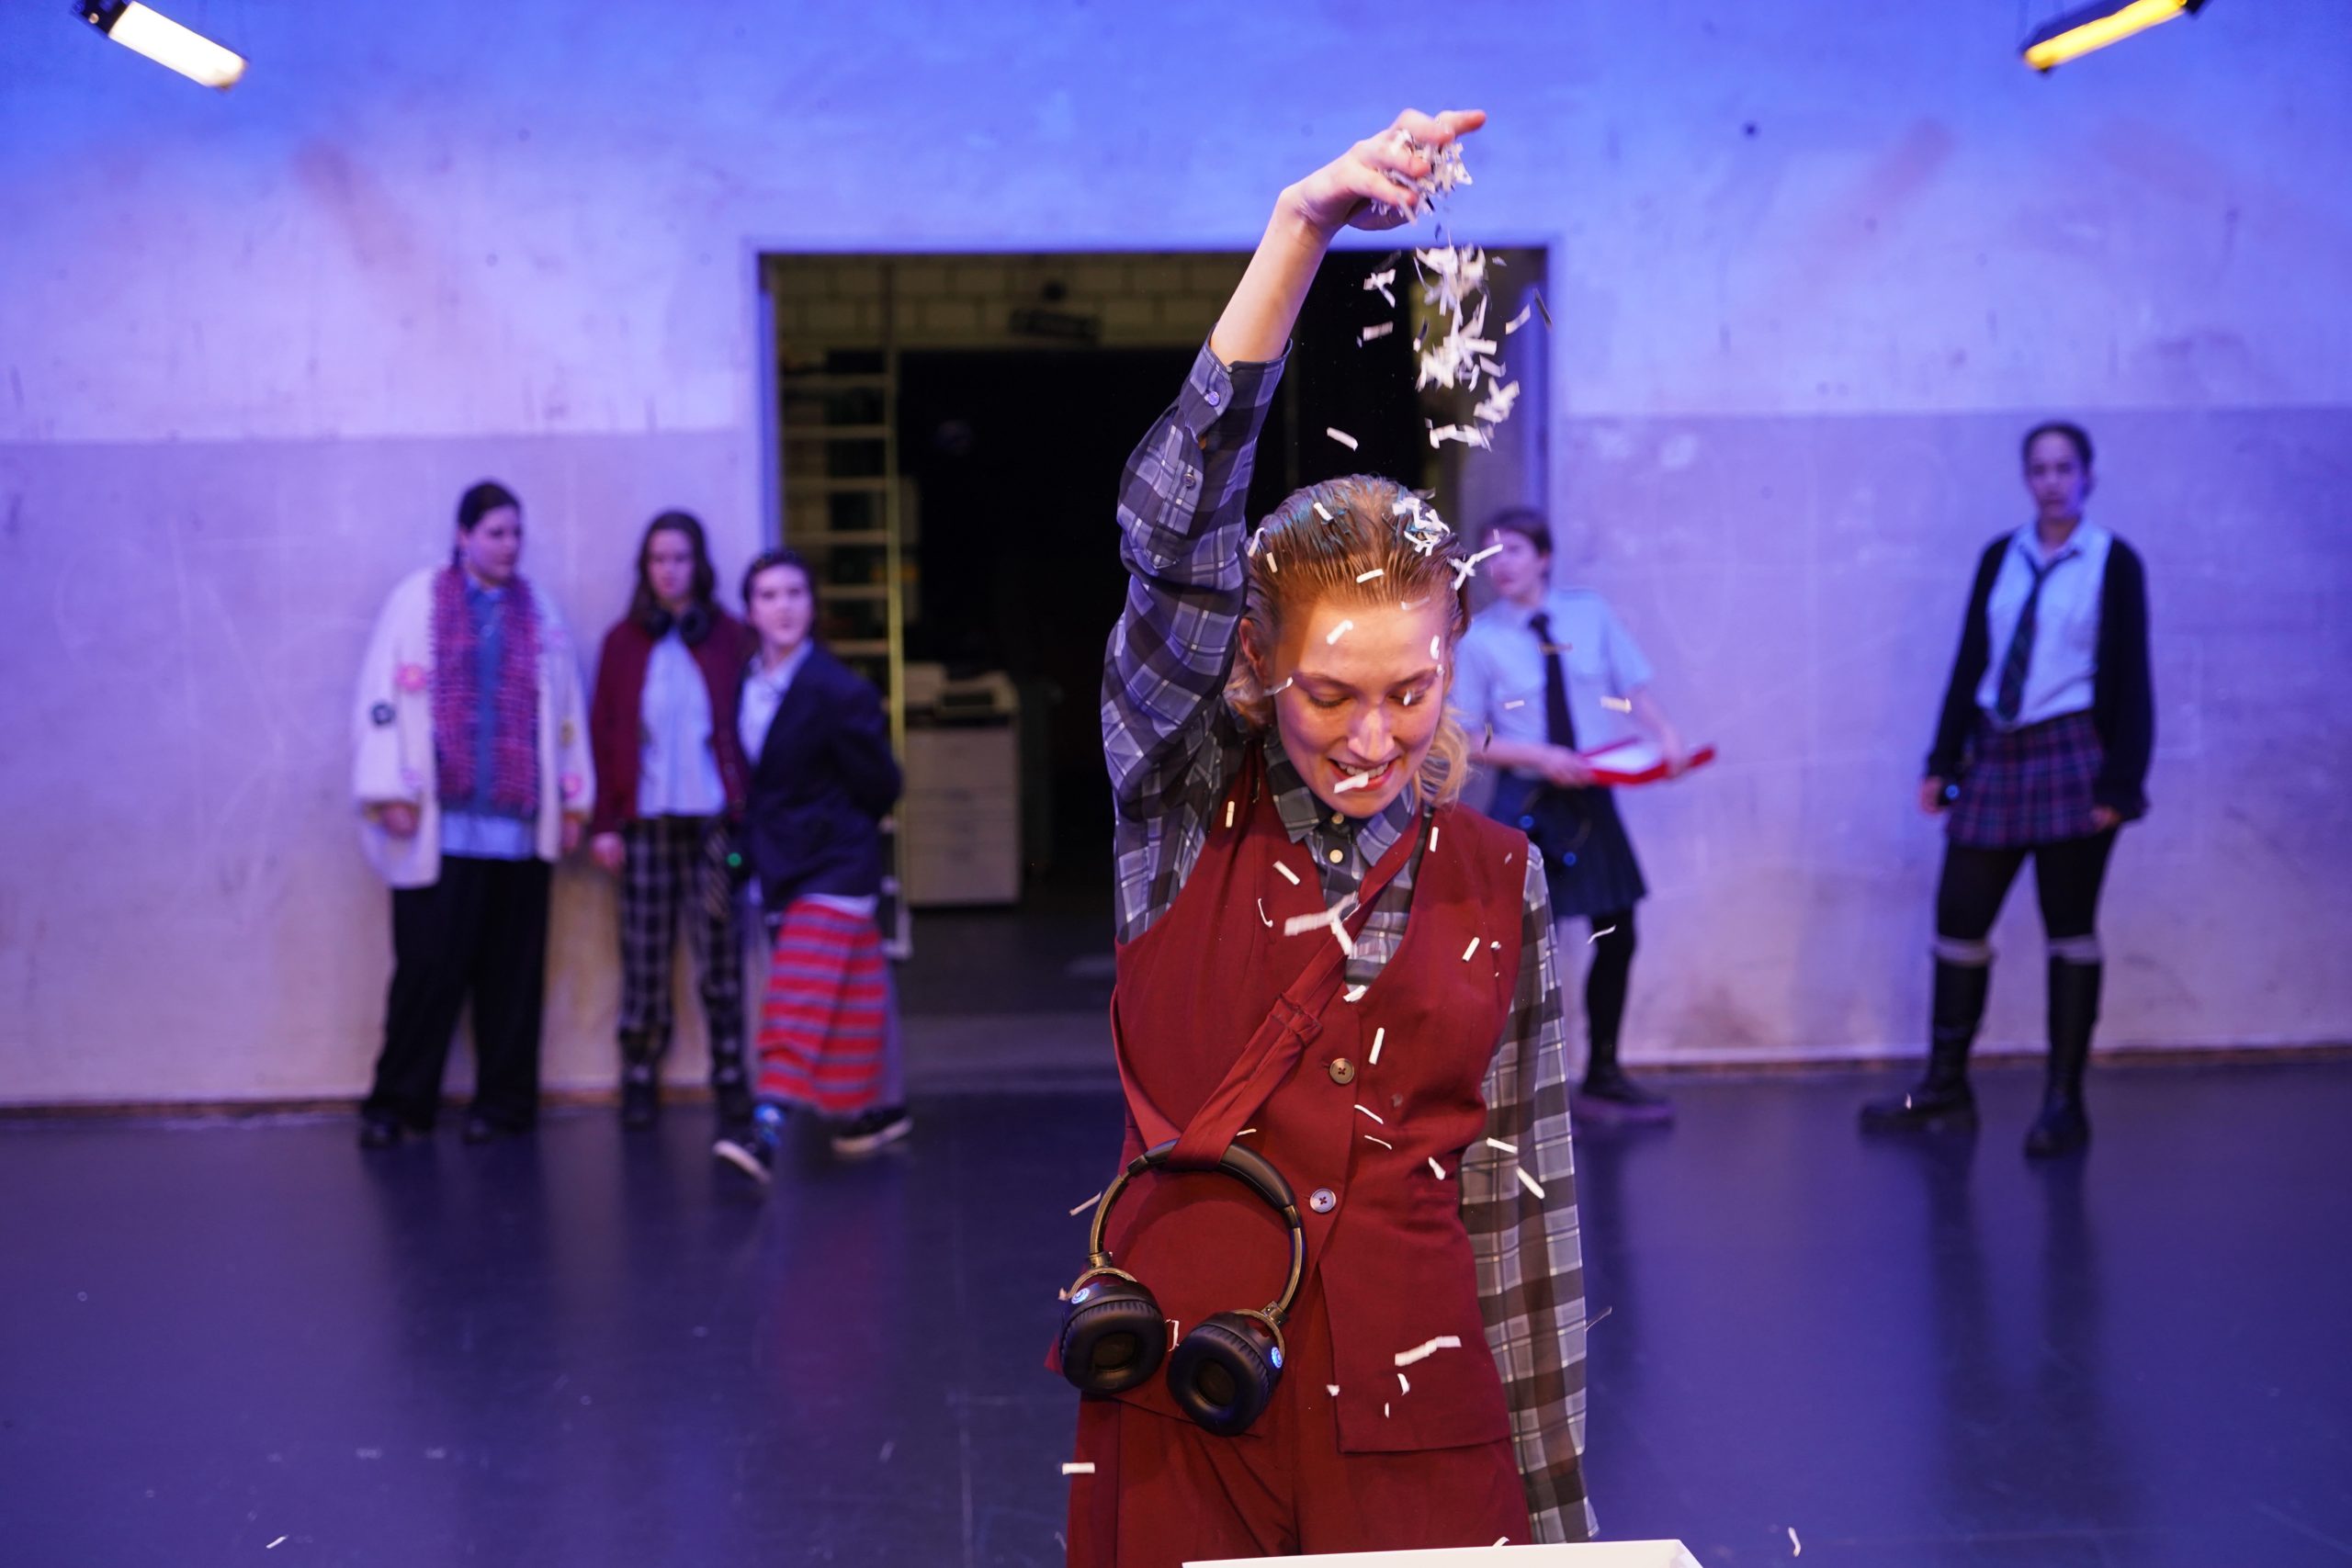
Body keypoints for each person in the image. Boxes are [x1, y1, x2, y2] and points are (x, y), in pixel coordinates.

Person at [1059, 109, 1591, 1563]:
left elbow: (1524, 1217)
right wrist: (1298, 229)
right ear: (1254, 666)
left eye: (1411, 691)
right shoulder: (1176, 800)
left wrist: (1557, 1521)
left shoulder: (1503, 878)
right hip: (1191, 1397)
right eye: (1329, 693)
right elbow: (1171, 536)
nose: (1372, 736)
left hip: (1428, 1433)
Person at [1861, 422, 2153, 1157]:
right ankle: (1945, 1088)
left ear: (2087, 476)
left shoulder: (2113, 560)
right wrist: (1942, 760)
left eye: (2064, 468)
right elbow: (1971, 660)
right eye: (2039, 469)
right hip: (1996, 750)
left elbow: (2132, 675)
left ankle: (2064, 1101)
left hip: (2073, 751)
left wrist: (2121, 782)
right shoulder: (2003, 555)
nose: (2052, 481)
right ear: (2027, 479)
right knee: (1959, 915)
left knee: (2070, 925)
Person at [351, 479, 594, 1147]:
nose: (510, 545)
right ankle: (398, 1104)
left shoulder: (539, 611)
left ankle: (504, 1105)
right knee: (427, 971)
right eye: (496, 533)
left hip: (518, 832)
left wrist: (574, 801)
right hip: (441, 827)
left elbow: (566, 711)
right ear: (463, 536)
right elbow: (379, 697)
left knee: (511, 980)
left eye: (516, 533)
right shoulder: (417, 602)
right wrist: (389, 792)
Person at [1453, 507, 1689, 1123]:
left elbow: (1632, 687)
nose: (1500, 564)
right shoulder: (1479, 640)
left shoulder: (1589, 613)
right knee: (1524, 948)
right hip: (1527, 799)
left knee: (1619, 932)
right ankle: (1519, 1091)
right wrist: (1538, 755)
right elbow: (1465, 737)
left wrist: (1667, 739)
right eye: (1489, 554)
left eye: (1513, 550)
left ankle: (1605, 1074)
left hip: (1591, 792)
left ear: (1544, 556)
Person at [712, 548, 910, 1181]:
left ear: (812, 604)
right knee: (852, 996)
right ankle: (871, 1114)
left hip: (834, 864)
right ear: (750, 609)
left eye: (795, 593)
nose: (784, 607)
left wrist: (831, 825)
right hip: (781, 866)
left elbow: (882, 783)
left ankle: (765, 1129)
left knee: (796, 993)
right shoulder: (747, 683)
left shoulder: (836, 688)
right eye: (768, 595)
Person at [587, 511, 756, 1130]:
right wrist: (606, 823)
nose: (669, 570)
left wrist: (749, 818)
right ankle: (638, 1073)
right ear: (645, 567)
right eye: (658, 559)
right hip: (646, 825)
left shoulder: (731, 637)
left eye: (680, 558)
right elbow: (604, 731)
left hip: (715, 829)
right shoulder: (622, 643)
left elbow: (749, 728)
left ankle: (730, 1072)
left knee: (720, 955)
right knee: (644, 957)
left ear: (698, 564)